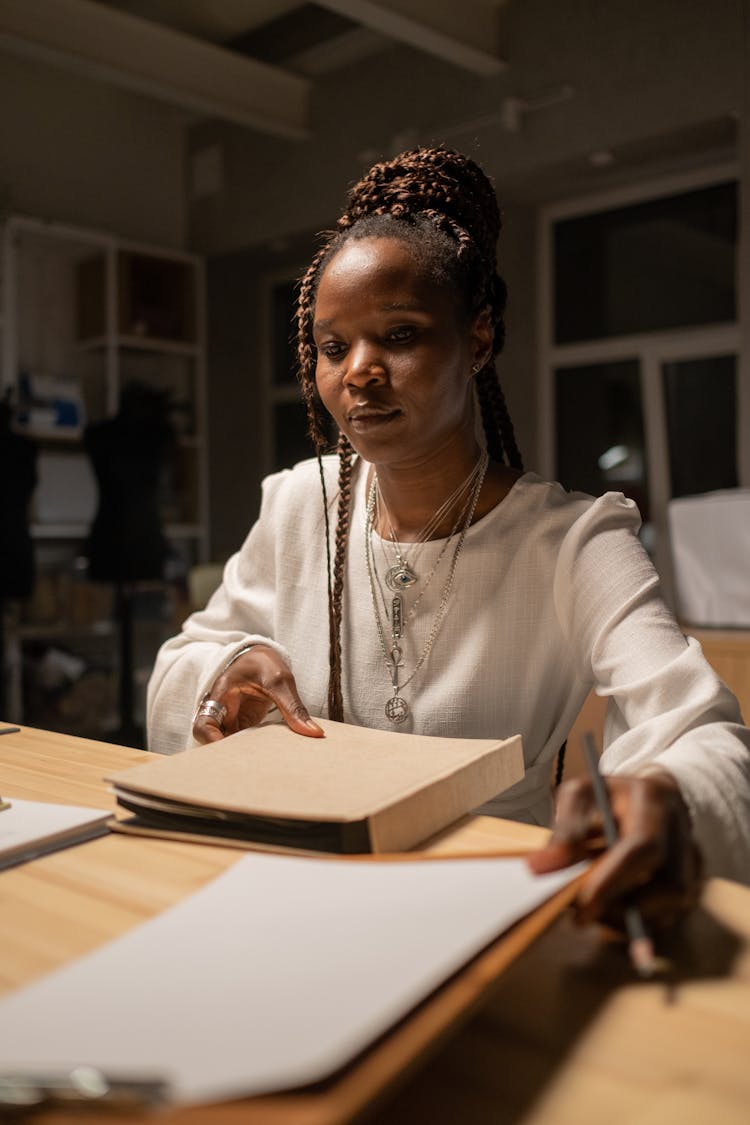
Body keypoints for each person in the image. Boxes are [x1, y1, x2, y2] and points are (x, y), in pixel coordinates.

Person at [148, 147, 750, 925]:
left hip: (492, 909)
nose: (359, 371)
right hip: (300, 895)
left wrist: (670, 795)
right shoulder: (300, 505)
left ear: (479, 338)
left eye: (399, 335)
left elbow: (705, 733)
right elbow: (177, 667)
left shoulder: (573, 543)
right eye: (334, 347)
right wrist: (228, 666)